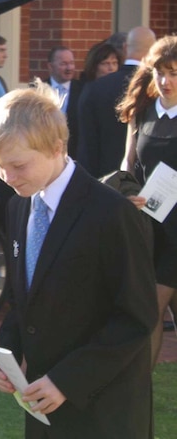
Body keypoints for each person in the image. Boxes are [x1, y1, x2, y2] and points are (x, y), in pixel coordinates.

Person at [0, 80, 157, 438]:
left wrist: (66, 381)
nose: (8, 179)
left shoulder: (111, 213)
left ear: (57, 147)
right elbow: (23, 299)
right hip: (44, 411)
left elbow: (137, 317)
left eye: (18, 166)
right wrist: (5, 354)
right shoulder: (18, 207)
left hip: (106, 411)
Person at [118, 34, 177, 368]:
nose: (165, 81)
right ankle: (141, 392)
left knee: (152, 309)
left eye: (174, 72)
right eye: (160, 72)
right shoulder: (141, 112)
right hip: (148, 228)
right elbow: (127, 164)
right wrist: (127, 194)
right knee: (148, 312)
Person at [78, 27, 156, 177]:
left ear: (125, 48)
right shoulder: (160, 90)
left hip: (103, 180)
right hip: (147, 183)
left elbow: (87, 147)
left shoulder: (94, 89)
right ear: (154, 51)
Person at [44, 46, 81, 158]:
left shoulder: (83, 89)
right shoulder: (38, 89)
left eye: (71, 63)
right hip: (46, 150)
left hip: (75, 153)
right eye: (63, 64)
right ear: (50, 66)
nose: (69, 68)